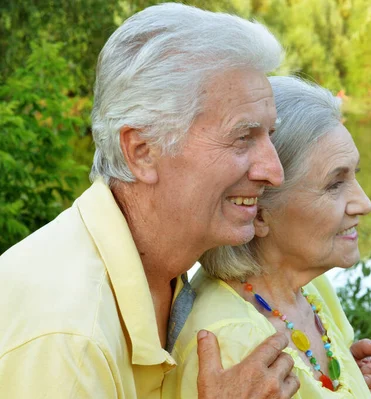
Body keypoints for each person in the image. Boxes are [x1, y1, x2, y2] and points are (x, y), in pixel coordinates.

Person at [0, 3, 299, 398]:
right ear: (142, 151)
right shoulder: (68, 338)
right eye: (243, 137)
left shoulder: (163, 273)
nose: (273, 172)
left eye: (269, 135)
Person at [164, 76, 371, 398]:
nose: (364, 204)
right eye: (334, 184)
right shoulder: (237, 344)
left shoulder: (307, 289)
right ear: (256, 211)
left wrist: (354, 387)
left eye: (353, 176)